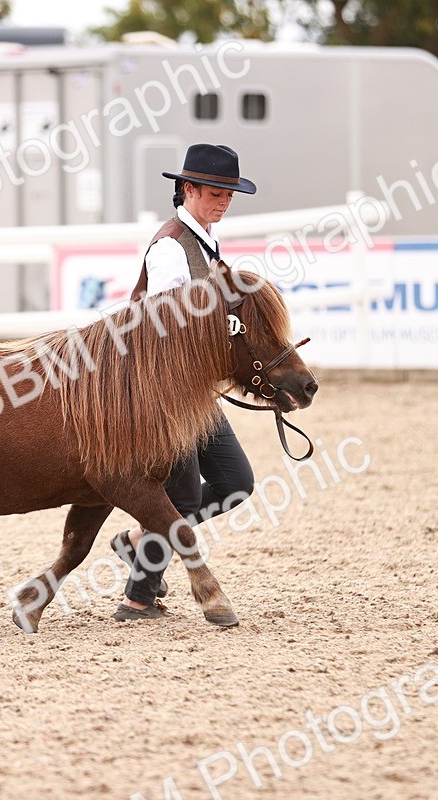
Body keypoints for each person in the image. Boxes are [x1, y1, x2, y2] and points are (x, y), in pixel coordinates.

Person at [110, 143, 259, 622]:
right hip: (162, 391)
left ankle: (137, 539)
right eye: (216, 192)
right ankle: (138, 599)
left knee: (235, 482)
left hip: (191, 388)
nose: (224, 201)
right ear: (188, 189)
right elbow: (164, 326)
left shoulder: (205, 240)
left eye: (229, 194)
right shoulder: (171, 247)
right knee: (184, 496)